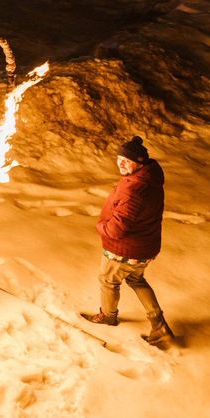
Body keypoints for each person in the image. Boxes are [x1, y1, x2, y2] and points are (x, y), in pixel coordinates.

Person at [82, 136, 174, 347]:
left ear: (140, 163)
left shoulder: (134, 189)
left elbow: (116, 229)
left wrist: (101, 226)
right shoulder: (149, 178)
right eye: (120, 158)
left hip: (125, 249)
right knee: (135, 279)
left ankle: (108, 316)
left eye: (127, 160)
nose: (121, 163)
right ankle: (159, 324)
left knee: (108, 280)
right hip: (144, 247)